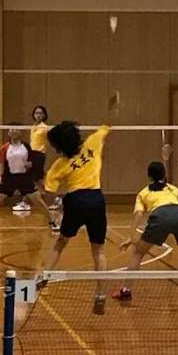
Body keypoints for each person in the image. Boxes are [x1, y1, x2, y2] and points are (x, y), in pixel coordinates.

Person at [112, 161, 178, 302]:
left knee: (138, 253)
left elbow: (138, 214)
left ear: (149, 176)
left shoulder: (143, 193)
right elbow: (177, 206)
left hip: (160, 217)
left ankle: (126, 291)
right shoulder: (173, 189)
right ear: (164, 175)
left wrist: (131, 237)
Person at [41, 121, 111, 314]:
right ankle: (100, 295)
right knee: (98, 251)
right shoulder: (92, 144)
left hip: (75, 201)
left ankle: (44, 276)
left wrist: (54, 201)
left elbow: (50, 191)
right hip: (96, 200)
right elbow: (105, 129)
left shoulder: (59, 165)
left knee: (61, 242)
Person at [0, 126, 59, 232]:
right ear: (9, 133)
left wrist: (30, 164)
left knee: (39, 202)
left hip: (24, 179)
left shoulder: (26, 147)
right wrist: (0, 177)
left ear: (20, 132)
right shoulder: (4, 148)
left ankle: (52, 222)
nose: (13, 131)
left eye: (16, 129)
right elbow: (1, 164)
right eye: (11, 130)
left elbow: (32, 160)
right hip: (9, 179)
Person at [12, 105, 61, 213]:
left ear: (44, 115)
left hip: (38, 155)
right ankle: (55, 199)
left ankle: (24, 203)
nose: (38, 115)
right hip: (32, 154)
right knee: (38, 180)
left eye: (40, 113)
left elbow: (52, 138)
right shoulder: (33, 127)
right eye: (36, 113)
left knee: (27, 178)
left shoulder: (44, 128)